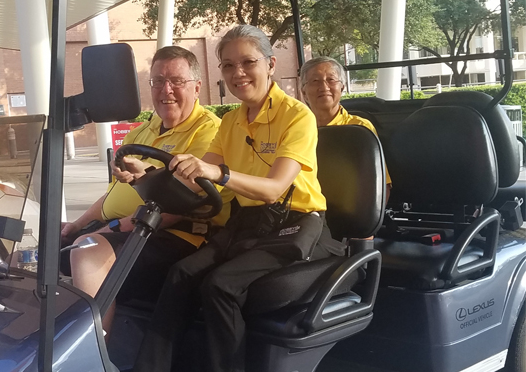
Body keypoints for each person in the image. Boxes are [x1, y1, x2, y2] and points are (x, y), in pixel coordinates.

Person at [133, 25, 328, 372]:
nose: (237, 73)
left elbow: (273, 188)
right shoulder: (230, 122)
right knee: (180, 273)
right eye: (227, 65)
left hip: (292, 225)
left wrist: (219, 174)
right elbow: (194, 185)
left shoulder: (297, 116)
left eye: (247, 62)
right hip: (247, 224)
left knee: (220, 286)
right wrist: (144, 177)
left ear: (269, 64)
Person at [61, 46, 227, 335]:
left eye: (177, 81)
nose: (167, 90)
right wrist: (78, 223)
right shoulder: (142, 131)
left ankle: (92, 358)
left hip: (172, 235)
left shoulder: (209, 132)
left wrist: (103, 231)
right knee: (39, 249)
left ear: (197, 87)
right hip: (125, 230)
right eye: (158, 81)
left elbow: (181, 203)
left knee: (87, 251)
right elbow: (114, 193)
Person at [300, 56, 392, 252]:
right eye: (315, 81)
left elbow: (381, 187)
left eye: (331, 80)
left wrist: (365, 229)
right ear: (303, 92)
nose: (323, 86)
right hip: (307, 219)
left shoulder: (359, 129)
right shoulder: (295, 130)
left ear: (342, 88)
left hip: (351, 223)